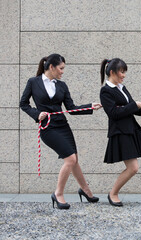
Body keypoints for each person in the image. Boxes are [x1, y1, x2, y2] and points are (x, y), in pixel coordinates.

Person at [20, 53, 102, 209]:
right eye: (61, 68)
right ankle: (58, 194)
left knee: (74, 159)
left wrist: (90, 106)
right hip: (48, 128)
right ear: (51, 67)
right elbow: (23, 104)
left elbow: (71, 109)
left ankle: (85, 190)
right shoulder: (33, 82)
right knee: (70, 159)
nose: (63, 72)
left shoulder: (62, 85)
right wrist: (37, 114)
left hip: (63, 126)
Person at [99, 58, 141, 207]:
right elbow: (113, 113)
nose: (124, 75)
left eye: (124, 72)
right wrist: (133, 105)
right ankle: (113, 194)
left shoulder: (122, 88)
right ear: (112, 72)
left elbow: (137, 110)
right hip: (120, 132)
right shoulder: (105, 91)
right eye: (122, 72)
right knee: (133, 168)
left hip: (133, 128)